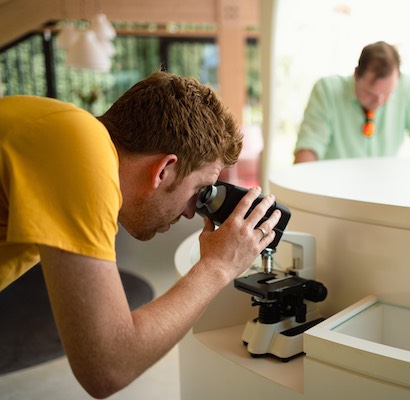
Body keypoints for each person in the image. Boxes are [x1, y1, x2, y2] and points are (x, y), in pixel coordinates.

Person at [0, 71, 282, 399]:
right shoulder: (80, 151)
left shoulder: (69, 136)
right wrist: (218, 267)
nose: (192, 212)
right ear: (164, 169)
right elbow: (108, 365)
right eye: (199, 190)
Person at [294, 41, 410, 163]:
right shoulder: (327, 90)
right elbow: (309, 148)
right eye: (370, 93)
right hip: (334, 192)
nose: (379, 101)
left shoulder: (405, 87)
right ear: (355, 75)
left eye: (387, 93)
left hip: (383, 189)